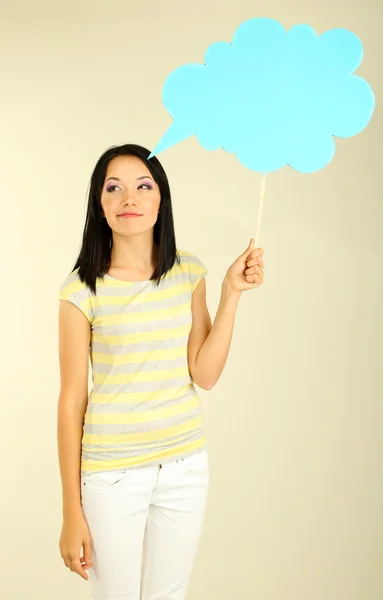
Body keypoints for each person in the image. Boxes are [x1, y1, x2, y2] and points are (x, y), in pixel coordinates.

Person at [57, 143, 264, 599]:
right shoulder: (81, 289)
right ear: (100, 204)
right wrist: (72, 512)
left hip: (185, 467)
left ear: (160, 200)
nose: (128, 198)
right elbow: (72, 401)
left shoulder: (188, 271)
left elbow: (204, 374)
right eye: (114, 188)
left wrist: (231, 294)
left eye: (142, 186)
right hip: (111, 474)